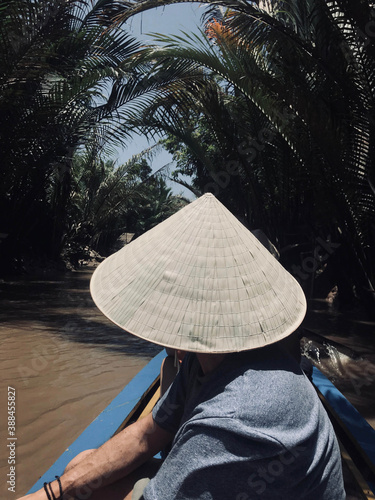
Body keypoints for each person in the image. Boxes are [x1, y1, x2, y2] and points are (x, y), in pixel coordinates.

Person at [18, 193, 345, 500]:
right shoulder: (209, 357)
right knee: (81, 465)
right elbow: (147, 435)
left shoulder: (236, 417)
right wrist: (48, 493)